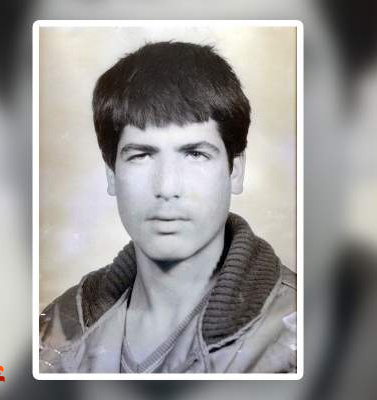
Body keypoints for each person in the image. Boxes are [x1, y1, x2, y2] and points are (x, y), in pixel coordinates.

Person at [39, 41, 296, 373]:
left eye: (195, 154)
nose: (167, 187)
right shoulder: (55, 331)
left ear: (235, 171)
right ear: (112, 175)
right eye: (141, 155)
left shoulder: (304, 335)